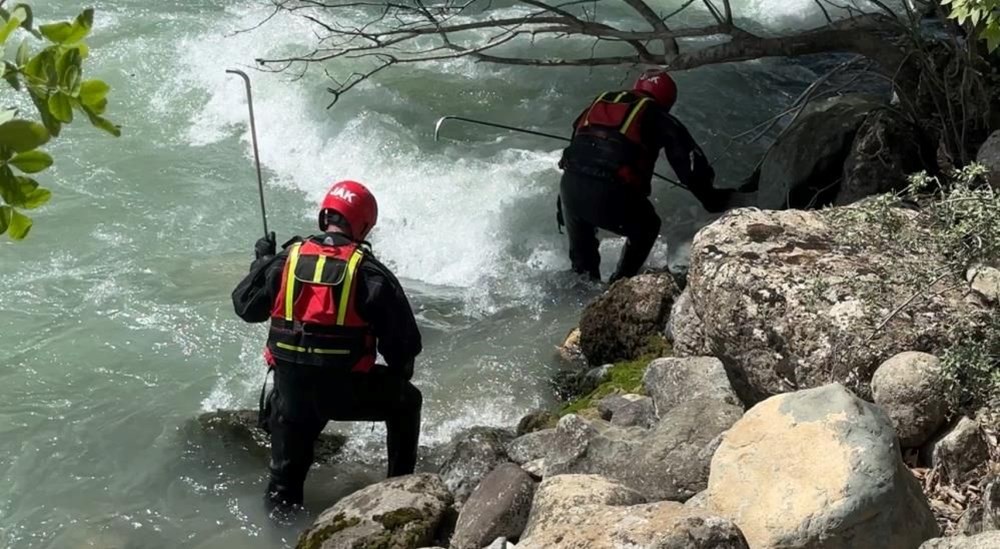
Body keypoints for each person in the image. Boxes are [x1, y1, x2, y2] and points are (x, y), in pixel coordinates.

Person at [231, 180, 423, 510]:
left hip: (291, 399)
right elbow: (403, 351)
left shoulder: (284, 262)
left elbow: (246, 306)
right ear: (364, 225)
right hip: (347, 394)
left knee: (283, 488)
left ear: (325, 217)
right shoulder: (369, 274)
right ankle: (397, 490)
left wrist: (260, 261)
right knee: (409, 401)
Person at [558, 68, 725, 283]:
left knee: (582, 272)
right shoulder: (657, 114)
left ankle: (575, 299)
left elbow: (577, 145)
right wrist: (712, 200)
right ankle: (620, 283)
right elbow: (689, 165)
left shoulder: (600, 103)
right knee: (648, 227)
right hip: (608, 192)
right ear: (667, 100)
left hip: (569, 189)